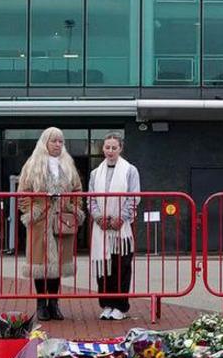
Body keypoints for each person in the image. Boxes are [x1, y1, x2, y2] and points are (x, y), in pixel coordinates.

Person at [15, 128, 86, 321]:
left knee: (58, 264)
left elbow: (77, 189)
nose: (58, 145)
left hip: (61, 220)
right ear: (45, 142)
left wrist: (73, 208)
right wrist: (32, 213)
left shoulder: (68, 165)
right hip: (40, 221)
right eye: (54, 141)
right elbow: (23, 192)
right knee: (40, 264)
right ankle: (41, 305)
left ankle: (54, 304)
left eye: (61, 142)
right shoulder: (32, 165)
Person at [86, 132, 144, 320]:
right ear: (102, 149)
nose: (110, 151)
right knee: (103, 266)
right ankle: (106, 304)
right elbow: (91, 199)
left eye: (114, 147)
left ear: (120, 149)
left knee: (122, 265)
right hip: (101, 228)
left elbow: (134, 196)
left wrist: (121, 217)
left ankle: (120, 306)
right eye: (107, 147)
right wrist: (97, 217)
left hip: (122, 229)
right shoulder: (95, 173)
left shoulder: (130, 170)